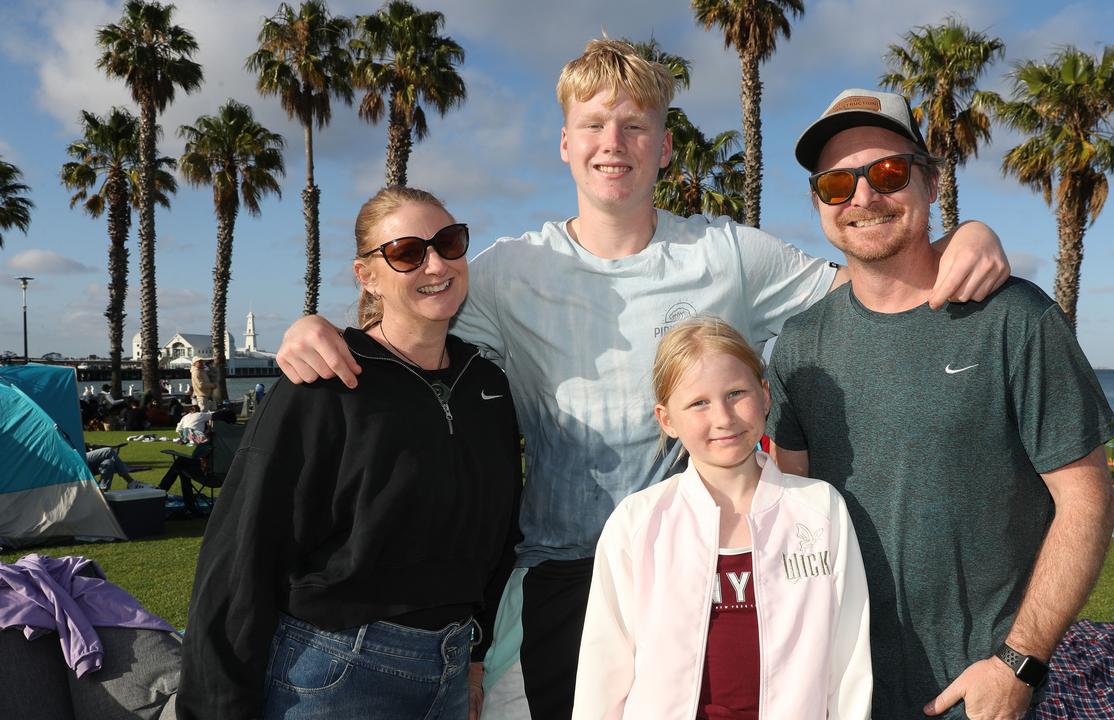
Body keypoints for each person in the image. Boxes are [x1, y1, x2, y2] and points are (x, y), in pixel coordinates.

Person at [274, 40, 1011, 720]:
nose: (612, 144)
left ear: (663, 147)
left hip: (694, 576)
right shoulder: (505, 273)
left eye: (634, 126)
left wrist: (960, 238)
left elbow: (872, 284)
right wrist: (325, 332)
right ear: (565, 144)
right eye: (593, 125)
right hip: (560, 576)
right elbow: (407, 323)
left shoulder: (729, 255)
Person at [765, 88, 1114, 720]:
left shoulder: (1016, 318)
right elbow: (785, 512)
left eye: (888, 173)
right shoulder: (799, 347)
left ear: (929, 183)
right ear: (818, 202)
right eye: (837, 184)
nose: (864, 198)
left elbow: (1087, 496)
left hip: (976, 695)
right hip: (838, 690)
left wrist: (1019, 661)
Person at [177, 187, 524, 720]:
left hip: (451, 670)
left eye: (450, 243)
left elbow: (501, 535)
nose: (436, 263)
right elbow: (243, 548)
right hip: (336, 674)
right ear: (368, 276)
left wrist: (475, 657)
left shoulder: (488, 385)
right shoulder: (325, 382)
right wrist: (216, 707)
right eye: (408, 252)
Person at [574, 317, 871, 719]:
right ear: (666, 419)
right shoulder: (637, 523)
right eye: (698, 402)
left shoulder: (820, 511)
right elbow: (603, 669)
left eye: (736, 393)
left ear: (765, 395)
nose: (723, 417)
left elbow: (849, 660)